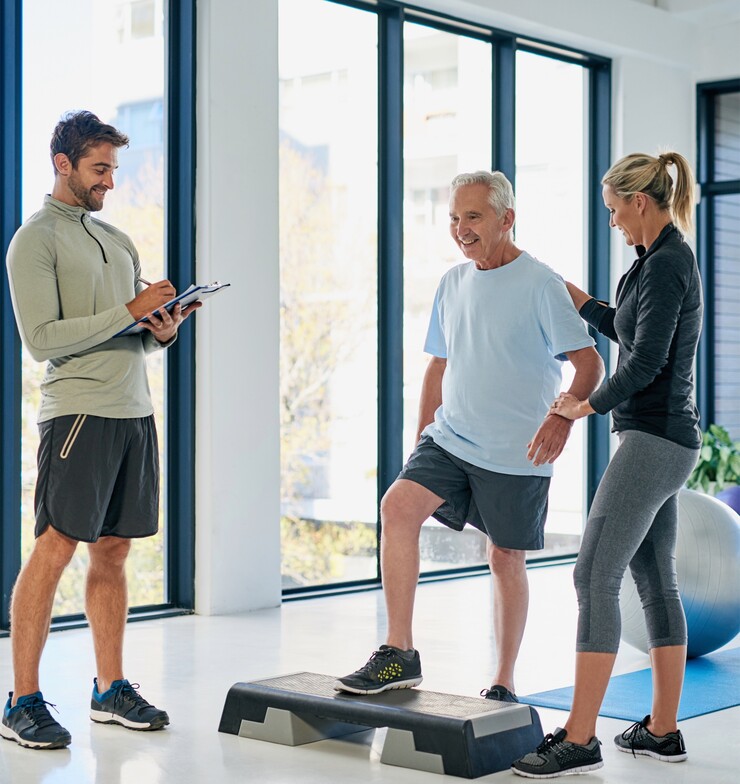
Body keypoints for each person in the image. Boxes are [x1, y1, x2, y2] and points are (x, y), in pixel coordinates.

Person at [334, 171, 604, 700]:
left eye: (473, 216)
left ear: (507, 218)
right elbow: (438, 366)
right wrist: (420, 440)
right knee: (398, 507)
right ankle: (399, 652)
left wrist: (562, 417)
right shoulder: (453, 283)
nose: (461, 229)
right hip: (451, 438)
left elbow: (589, 363)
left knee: (505, 557)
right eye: (454, 218)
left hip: (517, 451)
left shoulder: (542, 284)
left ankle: (503, 679)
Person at [2, 110, 200, 750]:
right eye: (99, 169)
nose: (110, 181)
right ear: (63, 164)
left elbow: (122, 335)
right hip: (78, 414)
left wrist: (158, 330)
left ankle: (109, 689)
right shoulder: (34, 241)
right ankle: (21, 700)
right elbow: (41, 341)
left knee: (114, 550)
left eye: (113, 168)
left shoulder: (116, 240)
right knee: (56, 548)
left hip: (132, 412)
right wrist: (127, 311)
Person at [511, 151, 703, 779]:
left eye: (615, 209)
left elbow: (644, 363)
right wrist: (575, 296)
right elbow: (630, 330)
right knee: (652, 576)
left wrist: (579, 407)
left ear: (639, 201)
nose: (614, 220)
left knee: (592, 574)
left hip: (654, 440)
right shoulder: (653, 261)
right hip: (664, 440)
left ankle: (581, 735)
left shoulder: (669, 263)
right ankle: (662, 730)